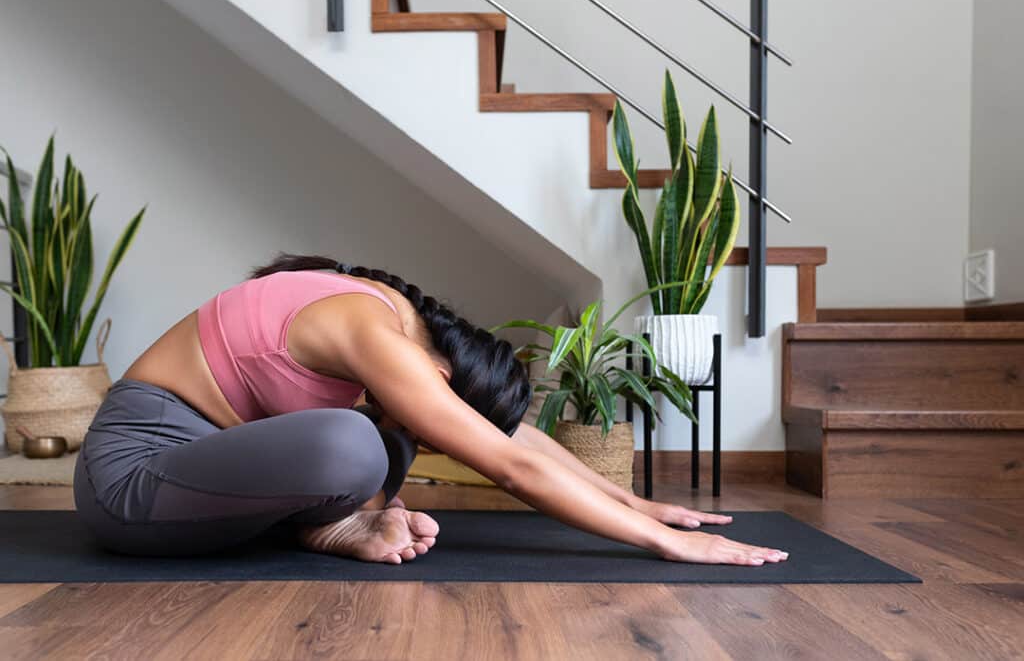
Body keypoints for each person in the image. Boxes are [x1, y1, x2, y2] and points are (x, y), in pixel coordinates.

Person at [73, 252, 789, 566]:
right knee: (357, 443)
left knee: (384, 440)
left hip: (206, 480)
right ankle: (338, 524)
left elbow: (514, 436)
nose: (436, 413)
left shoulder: (398, 320)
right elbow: (507, 463)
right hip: (132, 479)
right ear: (443, 370)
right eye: (443, 398)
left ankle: (337, 526)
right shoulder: (378, 335)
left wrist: (632, 501)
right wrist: (665, 543)